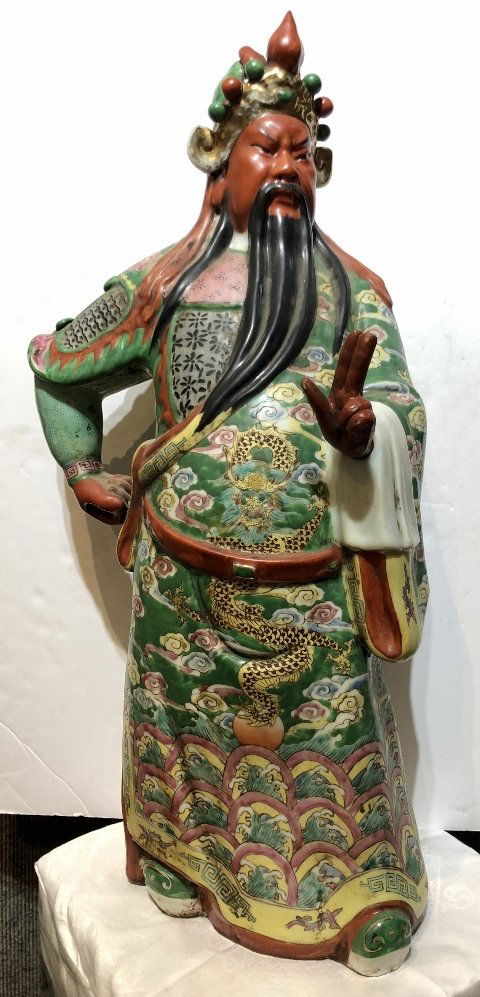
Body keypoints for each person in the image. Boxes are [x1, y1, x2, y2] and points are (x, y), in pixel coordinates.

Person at [29, 12, 428, 976]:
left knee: (331, 740)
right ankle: (179, 852)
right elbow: (57, 362)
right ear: (223, 164)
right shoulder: (162, 284)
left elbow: (401, 401)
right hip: (185, 582)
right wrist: (84, 467)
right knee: (188, 726)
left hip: (315, 589)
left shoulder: (355, 290)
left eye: (301, 151)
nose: (286, 165)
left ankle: (362, 891)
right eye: (267, 146)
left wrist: (368, 430)